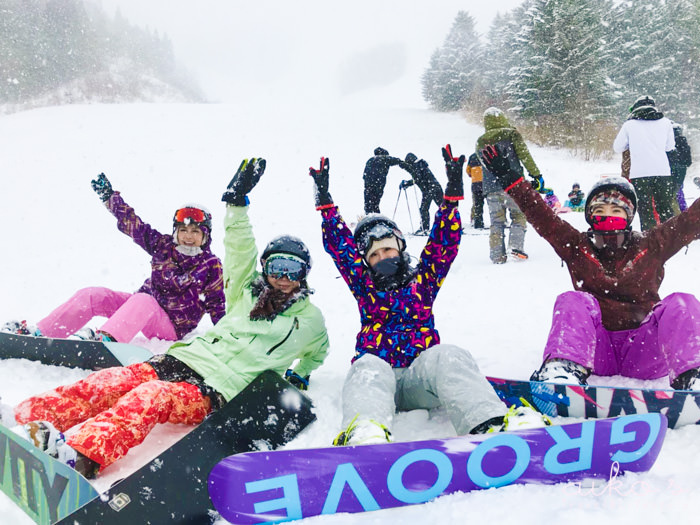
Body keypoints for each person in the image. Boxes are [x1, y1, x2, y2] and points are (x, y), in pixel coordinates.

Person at [11, 158, 330, 478]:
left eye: (293, 269)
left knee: (150, 396)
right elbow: (240, 250)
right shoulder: (245, 293)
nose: (283, 277)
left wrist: (301, 372)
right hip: (181, 359)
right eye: (276, 267)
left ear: (304, 274)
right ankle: (22, 419)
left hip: (213, 388)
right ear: (265, 268)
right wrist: (235, 203)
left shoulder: (309, 320)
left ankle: (80, 454)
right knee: (109, 381)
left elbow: (318, 349)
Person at [308, 147, 546, 446]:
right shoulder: (365, 286)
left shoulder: (422, 283)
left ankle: (488, 423)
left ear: (400, 247)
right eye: (375, 254)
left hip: (420, 380)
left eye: (388, 249)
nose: (383, 256)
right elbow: (340, 248)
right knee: (366, 365)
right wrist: (326, 205)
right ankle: (364, 434)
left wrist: (450, 199)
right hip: (378, 383)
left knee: (449, 354)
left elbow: (442, 245)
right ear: (365, 261)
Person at [480, 144, 700, 391]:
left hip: (645, 352)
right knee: (573, 300)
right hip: (595, 351)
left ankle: (693, 375)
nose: (608, 215)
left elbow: (690, 221)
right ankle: (561, 373)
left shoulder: (651, 244)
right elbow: (540, 214)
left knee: (682, 302)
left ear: (628, 216)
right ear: (589, 215)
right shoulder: (576, 245)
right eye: (599, 210)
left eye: (616, 210)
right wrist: (513, 180)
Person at [3, 174, 226, 343]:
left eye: (196, 232)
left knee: (144, 301)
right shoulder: (163, 246)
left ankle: (106, 340)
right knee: (93, 295)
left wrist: (225, 338)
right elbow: (134, 226)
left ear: (205, 236)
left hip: (171, 327)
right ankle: (43, 333)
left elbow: (217, 304)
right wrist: (110, 199)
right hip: (141, 308)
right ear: (176, 231)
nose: (189, 237)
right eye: (184, 231)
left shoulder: (210, 264)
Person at [475, 107, 545, 263]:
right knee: (518, 216)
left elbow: (484, 164)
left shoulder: (480, 142)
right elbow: (525, 156)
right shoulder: (511, 134)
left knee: (496, 222)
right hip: (513, 185)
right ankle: (515, 248)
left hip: (491, 188)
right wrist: (536, 175)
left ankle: (496, 255)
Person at [613, 95, 676, 231]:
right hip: (662, 171)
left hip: (639, 173)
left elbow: (617, 147)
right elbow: (670, 147)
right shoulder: (666, 122)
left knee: (645, 210)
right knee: (665, 207)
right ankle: (670, 238)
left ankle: (649, 239)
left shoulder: (629, 125)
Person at [398, 152, 445, 234]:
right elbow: (418, 176)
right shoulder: (421, 165)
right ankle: (453, 225)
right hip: (436, 187)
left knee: (424, 209)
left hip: (429, 189)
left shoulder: (416, 166)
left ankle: (424, 228)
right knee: (443, 207)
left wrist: (407, 183)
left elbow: (417, 178)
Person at [362, 147, 401, 214]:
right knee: (375, 204)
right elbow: (398, 161)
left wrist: (368, 183)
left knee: (368, 205)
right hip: (378, 185)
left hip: (368, 186)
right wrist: (407, 164)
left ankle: (369, 219)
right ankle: (377, 220)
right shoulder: (384, 158)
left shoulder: (370, 160)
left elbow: (364, 176)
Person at [667, 121, 693, 212]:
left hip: (671, 170)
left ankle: (678, 213)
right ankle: (684, 210)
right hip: (682, 171)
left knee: (672, 193)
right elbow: (689, 162)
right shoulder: (685, 144)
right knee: (679, 190)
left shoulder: (668, 144)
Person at [466, 153, 486, 228]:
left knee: (477, 204)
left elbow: (468, 171)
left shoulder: (472, 156)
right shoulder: (487, 153)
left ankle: (477, 222)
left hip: (476, 184)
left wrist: (474, 175)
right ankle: (497, 222)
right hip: (487, 183)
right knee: (493, 203)